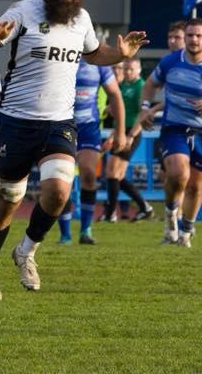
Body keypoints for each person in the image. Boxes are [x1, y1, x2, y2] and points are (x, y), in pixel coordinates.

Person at [0, 0, 146, 299]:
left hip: (59, 123)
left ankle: (26, 251)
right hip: (16, 122)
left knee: (58, 192)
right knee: (8, 199)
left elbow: (94, 54)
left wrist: (120, 54)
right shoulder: (22, 11)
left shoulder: (81, 18)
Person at [138, 18, 202, 245]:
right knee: (178, 173)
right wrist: (145, 108)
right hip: (175, 128)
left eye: (199, 36)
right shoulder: (170, 62)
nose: (194, 40)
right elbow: (150, 85)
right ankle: (170, 214)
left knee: (195, 186)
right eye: (190, 35)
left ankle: (186, 231)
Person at [59, 53, 127, 244]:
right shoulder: (60, 56)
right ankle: (65, 234)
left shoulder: (99, 62)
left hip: (89, 127)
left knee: (88, 174)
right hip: (61, 125)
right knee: (62, 179)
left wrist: (120, 131)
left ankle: (85, 231)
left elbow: (115, 94)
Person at [103, 55, 151, 221]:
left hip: (131, 132)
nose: (128, 72)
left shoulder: (141, 86)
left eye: (131, 69)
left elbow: (143, 114)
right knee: (115, 174)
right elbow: (120, 113)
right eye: (126, 69)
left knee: (113, 172)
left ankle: (110, 214)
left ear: (139, 70)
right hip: (121, 131)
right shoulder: (123, 85)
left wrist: (131, 135)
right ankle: (144, 207)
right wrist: (113, 134)